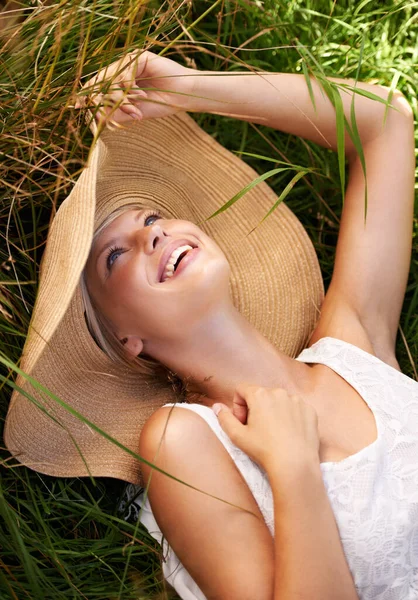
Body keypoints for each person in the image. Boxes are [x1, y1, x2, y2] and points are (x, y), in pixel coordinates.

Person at [4, 50, 417, 600]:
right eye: (114, 257)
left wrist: (190, 90)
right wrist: (293, 468)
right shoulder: (182, 440)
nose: (151, 234)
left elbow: (385, 120)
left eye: (151, 218)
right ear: (126, 341)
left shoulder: (353, 344)